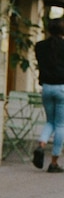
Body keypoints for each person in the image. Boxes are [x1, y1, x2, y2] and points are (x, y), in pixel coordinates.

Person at [33, 16, 64, 174]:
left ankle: (41, 144)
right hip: (62, 88)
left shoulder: (39, 46)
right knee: (60, 125)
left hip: (46, 88)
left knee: (50, 121)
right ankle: (54, 162)